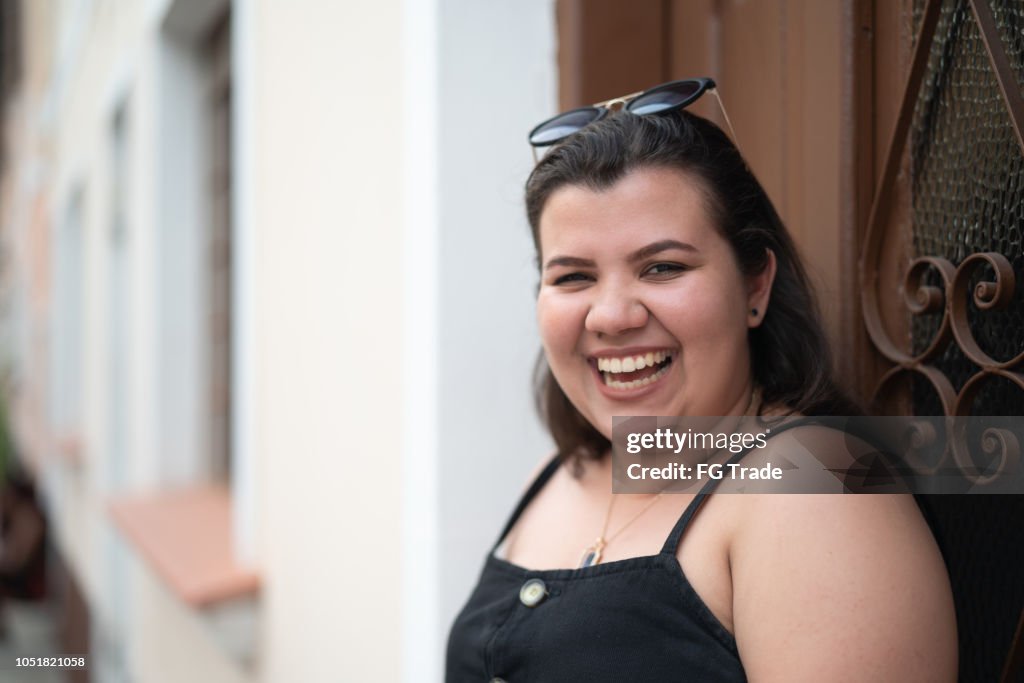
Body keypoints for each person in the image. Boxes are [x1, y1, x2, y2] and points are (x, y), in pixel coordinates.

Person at [445, 79, 957, 681]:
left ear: (755, 285)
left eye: (663, 267)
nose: (611, 316)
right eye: (573, 277)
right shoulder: (554, 476)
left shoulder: (817, 489)